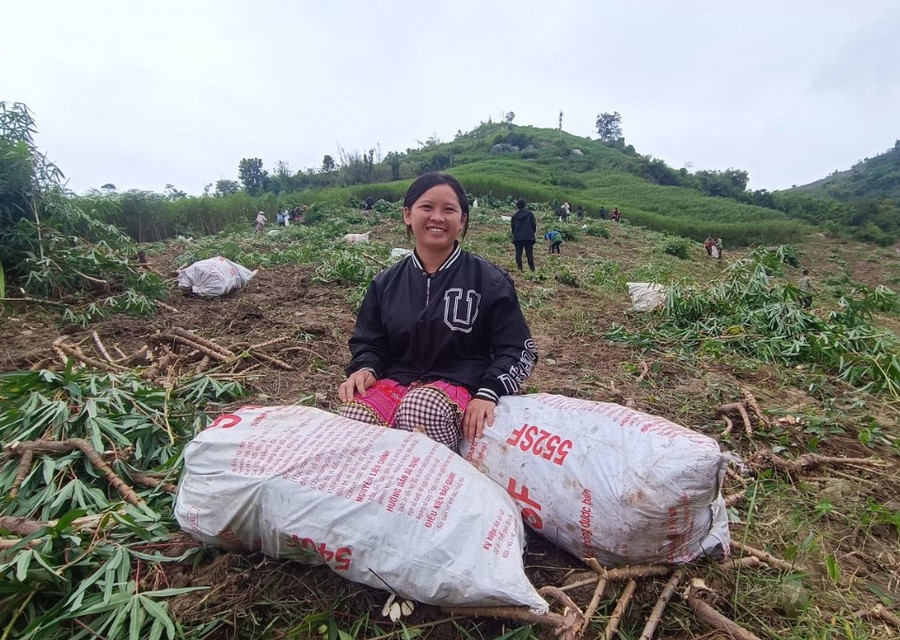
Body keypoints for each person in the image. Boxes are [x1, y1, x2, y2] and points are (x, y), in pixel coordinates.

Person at [337, 172, 538, 452]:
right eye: (427, 207)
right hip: (398, 379)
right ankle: (377, 493)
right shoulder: (386, 283)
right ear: (408, 214)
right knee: (354, 415)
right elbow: (370, 342)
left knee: (422, 407)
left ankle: (436, 492)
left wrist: (488, 392)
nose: (437, 217)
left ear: (462, 220)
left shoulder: (488, 281)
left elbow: (519, 349)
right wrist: (366, 367)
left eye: (449, 210)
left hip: (462, 384)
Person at [511, 197, 537, 272]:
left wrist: (515, 234)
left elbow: (513, 228)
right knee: (529, 254)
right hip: (528, 236)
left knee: (518, 254)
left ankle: (520, 269)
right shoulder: (530, 214)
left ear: (517, 206)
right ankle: (532, 269)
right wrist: (532, 233)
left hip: (518, 237)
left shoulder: (514, 216)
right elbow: (533, 225)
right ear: (525, 205)